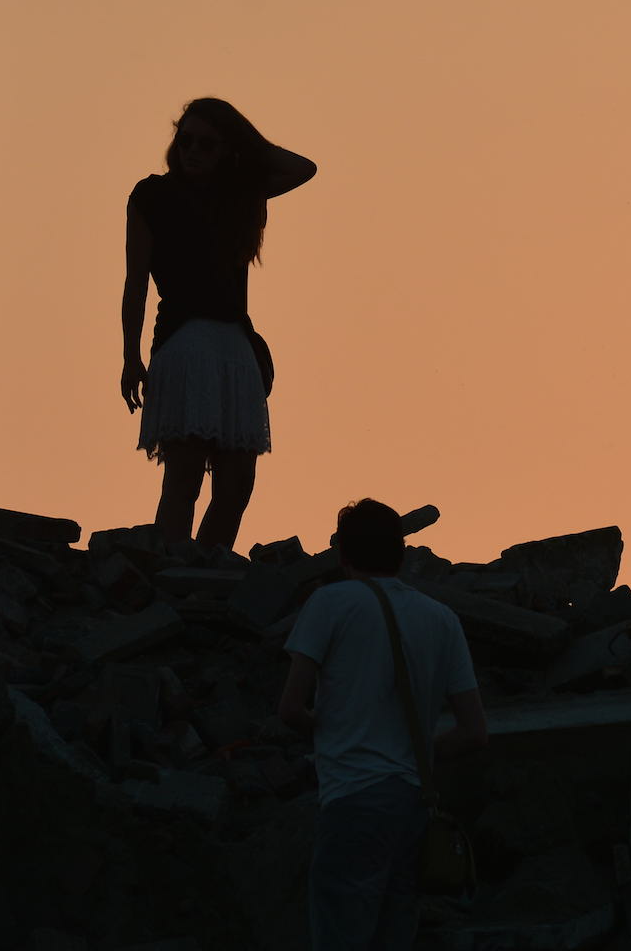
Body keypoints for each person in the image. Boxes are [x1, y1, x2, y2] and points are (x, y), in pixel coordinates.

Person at [279, 499, 487, 951]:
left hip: (352, 797)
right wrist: (417, 754)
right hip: (415, 804)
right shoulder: (442, 618)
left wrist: (334, 731)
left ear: (342, 554)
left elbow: (291, 708)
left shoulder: (330, 602)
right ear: (403, 553)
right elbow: (474, 732)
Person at [120, 97, 314, 552]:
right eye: (185, 140)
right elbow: (136, 283)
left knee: (236, 484)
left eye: (207, 144)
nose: (192, 151)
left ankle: (210, 568)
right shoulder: (152, 195)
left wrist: (244, 147)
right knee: (183, 479)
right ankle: (172, 571)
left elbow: (303, 168)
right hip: (183, 342)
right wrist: (129, 356)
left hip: (234, 345)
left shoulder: (239, 194)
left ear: (227, 149)